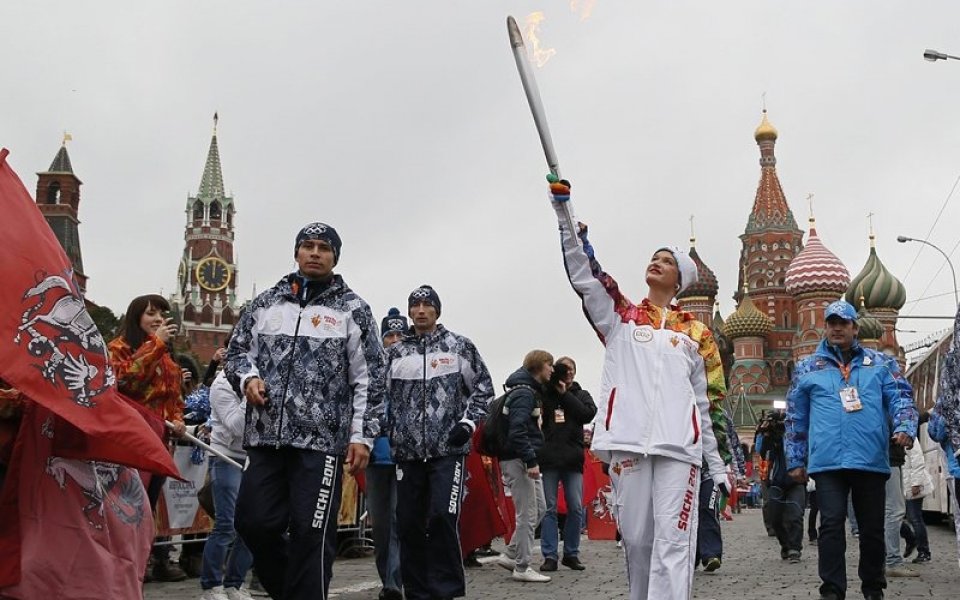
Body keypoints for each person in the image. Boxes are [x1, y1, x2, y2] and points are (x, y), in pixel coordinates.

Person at [546, 176, 731, 600]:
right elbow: (587, 277)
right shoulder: (622, 319)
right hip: (628, 444)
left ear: (679, 279)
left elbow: (709, 405)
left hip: (679, 451)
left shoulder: (697, 333)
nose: (656, 263)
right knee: (639, 542)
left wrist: (717, 466)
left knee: (673, 545)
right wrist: (565, 216)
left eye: (665, 261)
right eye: (653, 258)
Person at [225, 222, 386, 600]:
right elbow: (236, 353)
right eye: (307, 246)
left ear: (335, 256)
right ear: (296, 252)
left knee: (311, 533)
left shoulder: (353, 309)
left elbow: (371, 378)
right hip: (265, 437)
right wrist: (248, 378)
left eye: (323, 248)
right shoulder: (265, 303)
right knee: (253, 523)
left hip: (320, 444)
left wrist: (362, 436)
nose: (315, 253)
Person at [786, 299, 918, 600]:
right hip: (827, 462)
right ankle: (832, 589)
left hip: (869, 458)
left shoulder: (880, 364)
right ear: (825, 327)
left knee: (871, 529)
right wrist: (795, 458)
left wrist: (905, 427)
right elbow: (796, 417)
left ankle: (873, 587)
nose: (837, 328)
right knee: (831, 525)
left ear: (854, 328)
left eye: (843, 323)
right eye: (831, 323)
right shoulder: (808, 367)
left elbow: (901, 397)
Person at [385, 285, 494, 600]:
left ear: (437, 310)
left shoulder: (459, 346)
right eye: (415, 305)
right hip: (406, 452)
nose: (420, 310)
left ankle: (446, 591)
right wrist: (380, 427)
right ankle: (417, 591)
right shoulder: (394, 353)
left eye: (426, 305)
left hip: (448, 450)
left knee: (442, 517)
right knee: (408, 523)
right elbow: (377, 397)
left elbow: (484, 389)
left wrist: (468, 423)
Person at [108, 293, 188, 583]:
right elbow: (124, 381)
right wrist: (156, 344)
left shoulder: (166, 355)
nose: (157, 320)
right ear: (135, 317)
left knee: (147, 510)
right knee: (128, 509)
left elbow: (174, 396)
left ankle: (137, 573)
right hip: (130, 444)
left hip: (159, 445)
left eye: (161, 315)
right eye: (151, 314)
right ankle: (119, 573)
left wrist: (178, 419)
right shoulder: (119, 348)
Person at [494, 350, 553, 583]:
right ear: (539, 367)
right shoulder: (524, 394)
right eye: (549, 365)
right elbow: (517, 431)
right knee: (527, 513)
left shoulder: (527, 391)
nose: (552, 369)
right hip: (518, 459)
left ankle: (511, 554)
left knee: (539, 508)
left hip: (522, 458)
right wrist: (530, 460)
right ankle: (522, 565)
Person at [537, 356, 597, 573]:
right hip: (549, 458)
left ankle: (571, 553)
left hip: (572, 460)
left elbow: (586, 414)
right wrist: (553, 389)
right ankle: (550, 555)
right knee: (549, 509)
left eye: (571, 369)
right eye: (564, 369)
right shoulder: (546, 393)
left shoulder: (581, 394)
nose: (568, 373)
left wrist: (565, 395)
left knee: (576, 507)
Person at [199, 370, 255, 600]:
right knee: (227, 523)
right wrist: (249, 391)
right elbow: (236, 426)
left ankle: (234, 583)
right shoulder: (221, 384)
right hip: (225, 457)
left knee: (252, 526)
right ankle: (211, 585)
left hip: (253, 458)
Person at [365, 308, 407, 600]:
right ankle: (389, 578)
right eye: (388, 335)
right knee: (381, 525)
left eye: (398, 335)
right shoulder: (370, 369)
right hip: (376, 458)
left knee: (399, 520)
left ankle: (395, 583)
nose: (393, 340)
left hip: (407, 457)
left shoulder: (416, 367)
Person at [757, 411, 805, 563]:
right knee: (775, 518)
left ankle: (795, 548)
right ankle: (785, 544)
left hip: (795, 481)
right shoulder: (770, 436)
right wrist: (765, 434)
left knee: (796, 515)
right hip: (776, 481)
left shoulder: (796, 433)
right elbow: (761, 452)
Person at [901, 418, 933, 564]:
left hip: (914, 483)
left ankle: (924, 551)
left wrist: (916, 483)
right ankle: (911, 539)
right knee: (895, 517)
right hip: (903, 484)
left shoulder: (908, 434)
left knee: (915, 518)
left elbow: (918, 460)